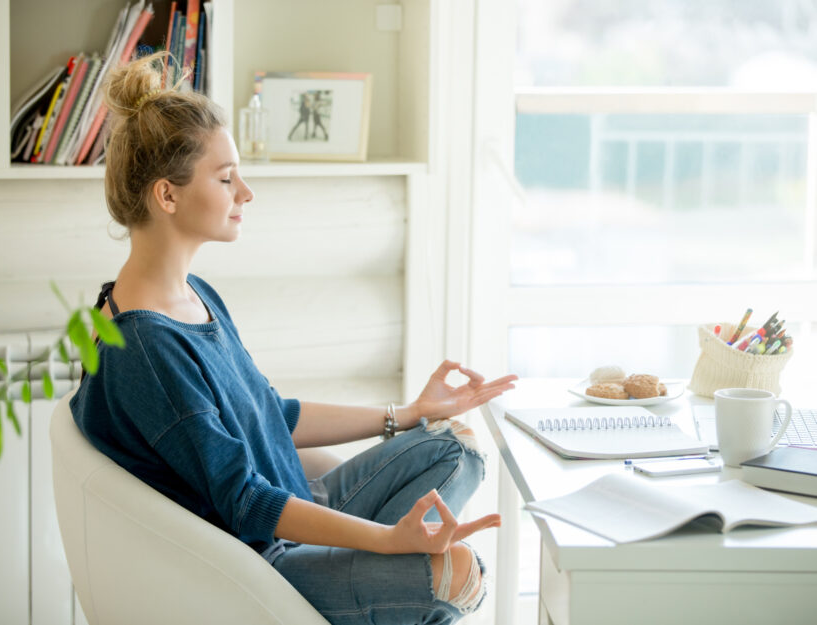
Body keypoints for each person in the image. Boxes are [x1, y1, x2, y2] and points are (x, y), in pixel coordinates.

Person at [70, 52, 517, 625]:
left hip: (299, 505)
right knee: (458, 573)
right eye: (227, 178)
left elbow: (272, 415)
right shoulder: (148, 350)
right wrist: (386, 541)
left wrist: (408, 413)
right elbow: (246, 501)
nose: (246, 193)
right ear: (167, 196)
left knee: (456, 445)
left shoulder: (192, 293)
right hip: (260, 564)